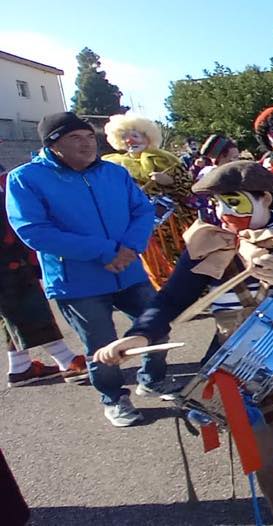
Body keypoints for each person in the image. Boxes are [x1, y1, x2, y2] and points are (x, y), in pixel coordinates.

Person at [91, 161, 273, 525]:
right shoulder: (206, 246)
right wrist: (140, 334)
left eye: (233, 201)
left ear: (265, 199)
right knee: (267, 438)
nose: (223, 212)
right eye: (217, 203)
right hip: (244, 357)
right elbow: (170, 299)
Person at [6, 112, 174, 426]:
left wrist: (130, 247)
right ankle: (114, 398)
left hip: (129, 270)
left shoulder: (114, 172)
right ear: (53, 145)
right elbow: (34, 231)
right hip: (77, 281)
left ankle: (152, 379)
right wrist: (105, 252)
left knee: (157, 325)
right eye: (75, 138)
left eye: (88, 136)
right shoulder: (25, 179)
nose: (86, 144)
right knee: (102, 346)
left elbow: (142, 211)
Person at [2, 171, 87, 387]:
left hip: (11, 257)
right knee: (30, 309)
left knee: (12, 315)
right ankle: (66, 361)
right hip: (7, 260)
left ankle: (20, 368)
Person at [102, 114, 198, 289]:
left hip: (175, 223)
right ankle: (165, 293)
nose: (130, 141)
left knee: (186, 259)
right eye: (124, 137)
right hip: (144, 227)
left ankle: (194, 291)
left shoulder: (165, 160)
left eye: (135, 136)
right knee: (156, 264)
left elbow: (190, 189)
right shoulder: (116, 166)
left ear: (148, 137)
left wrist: (169, 181)